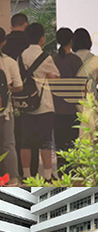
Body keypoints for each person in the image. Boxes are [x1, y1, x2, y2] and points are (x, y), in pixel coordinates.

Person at [19, 23, 60, 182]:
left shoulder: (21, 56)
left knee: (26, 142)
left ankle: (27, 175)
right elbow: (56, 76)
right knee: (46, 142)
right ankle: (47, 175)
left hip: (26, 104)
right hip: (44, 104)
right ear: (42, 38)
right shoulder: (46, 57)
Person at [3, 13, 37, 179]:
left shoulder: (6, 43)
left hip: (7, 102)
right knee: (25, 137)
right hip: (29, 99)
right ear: (25, 25)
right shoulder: (29, 43)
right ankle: (27, 173)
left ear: (11, 26)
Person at [52, 28, 83, 174]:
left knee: (59, 140)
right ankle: (71, 169)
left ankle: (60, 168)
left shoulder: (53, 59)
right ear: (71, 41)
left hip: (56, 106)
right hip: (73, 107)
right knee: (72, 140)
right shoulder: (76, 60)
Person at [0, 28, 21, 186]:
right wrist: (8, 88)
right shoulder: (10, 62)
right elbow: (19, 86)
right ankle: (12, 178)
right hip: (5, 109)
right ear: (4, 42)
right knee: (9, 143)